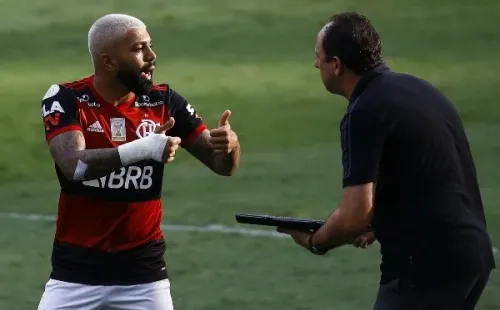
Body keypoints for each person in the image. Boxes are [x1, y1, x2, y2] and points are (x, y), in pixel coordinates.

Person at [277, 12, 495, 309]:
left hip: (425, 268)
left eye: (319, 57)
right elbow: (428, 172)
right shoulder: (419, 90)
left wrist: (318, 242)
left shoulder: (364, 111)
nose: (316, 64)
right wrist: (382, 221)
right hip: (473, 257)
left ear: (336, 65)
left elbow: (355, 214)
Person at [37, 13, 241, 310]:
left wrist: (230, 146)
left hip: (143, 276)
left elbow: (223, 166)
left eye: (150, 46)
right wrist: (143, 149)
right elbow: (74, 165)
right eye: (138, 49)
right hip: (75, 275)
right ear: (108, 62)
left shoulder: (164, 102)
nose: (151, 56)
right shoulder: (67, 98)